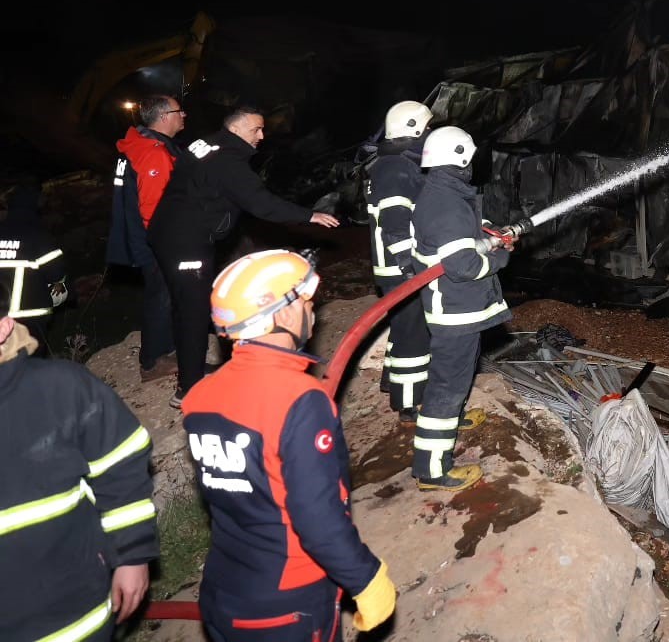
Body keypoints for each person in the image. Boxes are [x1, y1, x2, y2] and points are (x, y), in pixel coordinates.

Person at [182, 249, 395, 641]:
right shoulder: (299, 400)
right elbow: (316, 518)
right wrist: (365, 578)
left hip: (224, 593)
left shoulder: (200, 396)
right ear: (280, 314)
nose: (313, 311)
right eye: (305, 301)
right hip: (288, 606)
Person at [149, 105, 341, 407]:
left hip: (170, 232)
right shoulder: (227, 161)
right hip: (185, 242)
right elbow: (261, 204)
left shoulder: (207, 143)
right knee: (194, 310)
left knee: (187, 304)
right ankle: (188, 389)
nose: (262, 136)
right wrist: (309, 216)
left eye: (263, 129)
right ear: (235, 129)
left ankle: (193, 368)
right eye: (256, 130)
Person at [0, 289, 158, 641]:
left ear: (4, 327)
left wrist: (132, 555)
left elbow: (121, 464)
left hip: (78, 611)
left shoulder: (60, 387)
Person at [409, 126, 513, 492]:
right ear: (463, 157)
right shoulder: (447, 204)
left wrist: (490, 232)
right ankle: (433, 470)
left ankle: (449, 419)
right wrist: (499, 257)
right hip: (455, 312)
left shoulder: (443, 191)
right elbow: (465, 266)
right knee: (446, 386)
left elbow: (463, 231)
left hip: (455, 308)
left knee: (452, 380)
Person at [107, 94, 187, 381]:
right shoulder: (153, 152)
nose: (184, 115)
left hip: (139, 237)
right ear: (165, 117)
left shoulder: (135, 145)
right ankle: (153, 362)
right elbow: (155, 209)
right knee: (163, 296)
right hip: (155, 241)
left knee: (160, 295)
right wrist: (176, 242)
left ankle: (162, 350)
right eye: (180, 111)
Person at [363, 100, 433, 420]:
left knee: (404, 326)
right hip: (399, 265)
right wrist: (409, 264)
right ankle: (408, 404)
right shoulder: (397, 168)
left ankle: (392, 382)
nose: (429, 133)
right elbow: (394, 221)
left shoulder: (391, 163)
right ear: (414, 130)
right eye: (427, 128)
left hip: (393, 264)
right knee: (413, 332)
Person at [0, 180, 67, 348]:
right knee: (28, 365)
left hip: (1, 316)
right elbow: (56, 273)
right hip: (30, 316)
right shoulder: (39, 236)